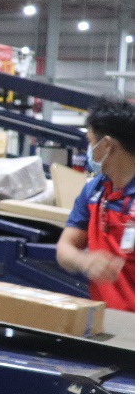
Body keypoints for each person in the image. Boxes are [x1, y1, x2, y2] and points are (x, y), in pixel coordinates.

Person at [57, 99, 134, 311]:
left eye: (91, 142)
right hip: (104, 318)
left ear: (107, 145)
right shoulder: (94, 192)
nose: (88, 150)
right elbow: (65, 248)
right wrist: (84, 261)